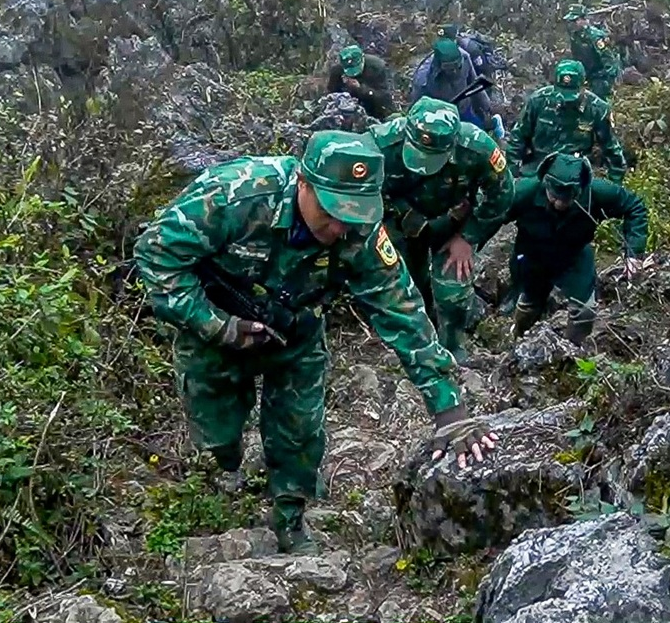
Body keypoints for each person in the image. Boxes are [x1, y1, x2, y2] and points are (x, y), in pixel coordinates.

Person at [131, 130, 498, 555]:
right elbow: (156, 254)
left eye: (354, 213)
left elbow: (403, 311)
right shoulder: (237, 195)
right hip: (214, 335)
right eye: (331, 210)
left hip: (296, 336)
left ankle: (290, 516)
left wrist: (449, 409)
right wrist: (216, 325)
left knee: (300, 431)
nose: (339, 226)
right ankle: (226, 473)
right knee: (217, 432)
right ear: (303, 183)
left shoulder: (360, 233)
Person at [369, 98, 514, 365]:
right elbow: (364, 191)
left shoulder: (477, 148)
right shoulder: (381, 143)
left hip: (454, 227)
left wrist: (469, 237)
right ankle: (417, 338)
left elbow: (502, 195)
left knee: (452, 291)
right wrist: (405, 216)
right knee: (404, 285)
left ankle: (452, 345)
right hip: (400, 225)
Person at [469, 152, 649, 346]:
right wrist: (469, 245)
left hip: (574, 256)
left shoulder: (596, 192)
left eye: (567, 199)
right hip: (532, 257)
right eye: (554, 197)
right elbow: (491, 215)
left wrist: (633, 253)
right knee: (529, 306)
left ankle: (570, 351)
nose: (559, 203)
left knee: (584, 311)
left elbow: (635, 207)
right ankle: (520, 342)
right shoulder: (524, 192)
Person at [505, 60, 627, 182]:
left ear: (583, 86)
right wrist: (513, 175)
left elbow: (612, 150)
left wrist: (615, 184)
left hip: (576, 172)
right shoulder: (538, 101)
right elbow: (517, 139)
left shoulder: (597, 109)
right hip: (538, 169)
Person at [411, 38, 498, 136]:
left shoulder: (465, 57)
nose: (455, 71)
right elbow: (417, 107)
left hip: (464, 109)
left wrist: (486, 107)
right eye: (450, 68)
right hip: (440, 118)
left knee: (479, 135)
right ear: (439, 66)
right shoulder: (423, 79)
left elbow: (474, 83)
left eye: (458, 66)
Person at [563, 4, 622, 101]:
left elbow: (609, 60)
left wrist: (607, 78)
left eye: (575, 20)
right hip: (586, 74)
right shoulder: (575, 36)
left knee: (597, 101)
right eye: (571, 21)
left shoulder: (595, 36)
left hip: (600, 77)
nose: (572, 24)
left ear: (583, 19)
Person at [327, 44, 396, 121]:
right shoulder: (337, 71)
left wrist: (361, 88)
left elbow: (384, 97)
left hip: (376, 107)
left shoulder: (377, 67)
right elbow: (331, 92)